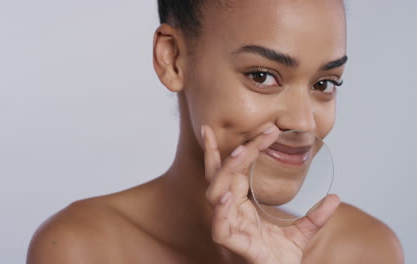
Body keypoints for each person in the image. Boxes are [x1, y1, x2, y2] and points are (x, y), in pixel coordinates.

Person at [26, 0, 404, 263]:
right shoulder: (82, 250)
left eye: (324, 83)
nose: (304, 123)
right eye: (262, 76)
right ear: (173, 59)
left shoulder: (366, 251)